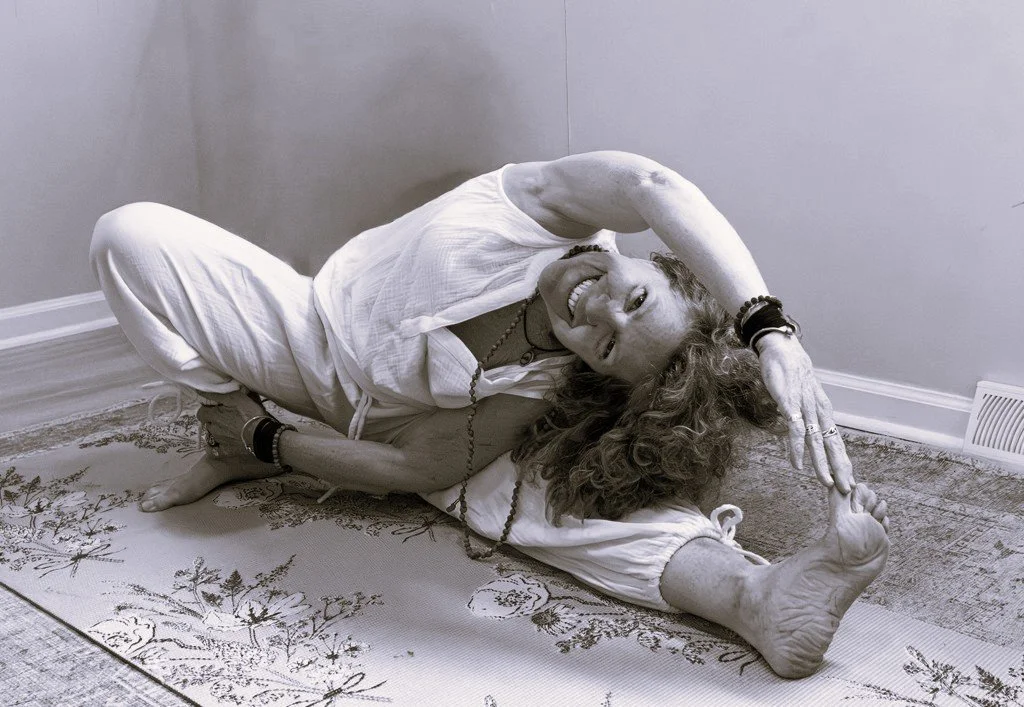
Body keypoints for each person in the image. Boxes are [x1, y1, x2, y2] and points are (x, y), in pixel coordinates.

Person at [90, 150, 889, 678]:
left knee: (540, 499)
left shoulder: (543, 379)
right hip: (308, 328)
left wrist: (275, 439)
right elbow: (653, 186)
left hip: (393, 425)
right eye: (633, 293)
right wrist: (768, 328)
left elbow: (413, 469)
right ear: (654, 260)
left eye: (608, 344)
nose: (596, 309)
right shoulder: (538, 206)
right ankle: (220, 421)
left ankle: (752, 598)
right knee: (127, 235)